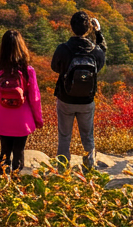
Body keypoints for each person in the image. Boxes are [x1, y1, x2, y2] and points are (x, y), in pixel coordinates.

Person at [49, 11, 106, 170]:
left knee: (64, 137)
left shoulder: (63, 49)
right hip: (87, 101)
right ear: (88, 29)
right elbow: (101, 60)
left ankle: (62, 171)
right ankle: (90, 168)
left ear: (71, 27)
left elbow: (54, 67)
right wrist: (98, 32)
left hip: (65, 98)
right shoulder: (95, 50)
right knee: (87, 137)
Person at [0, 29, 43, 174]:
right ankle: (15, 183)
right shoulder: (27, 70)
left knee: (4, 150)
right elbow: (35, 98)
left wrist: (4, 100)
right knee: (19, 152)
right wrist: (38, 120)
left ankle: (3, 184)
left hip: (2, 116)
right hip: (21, 119)